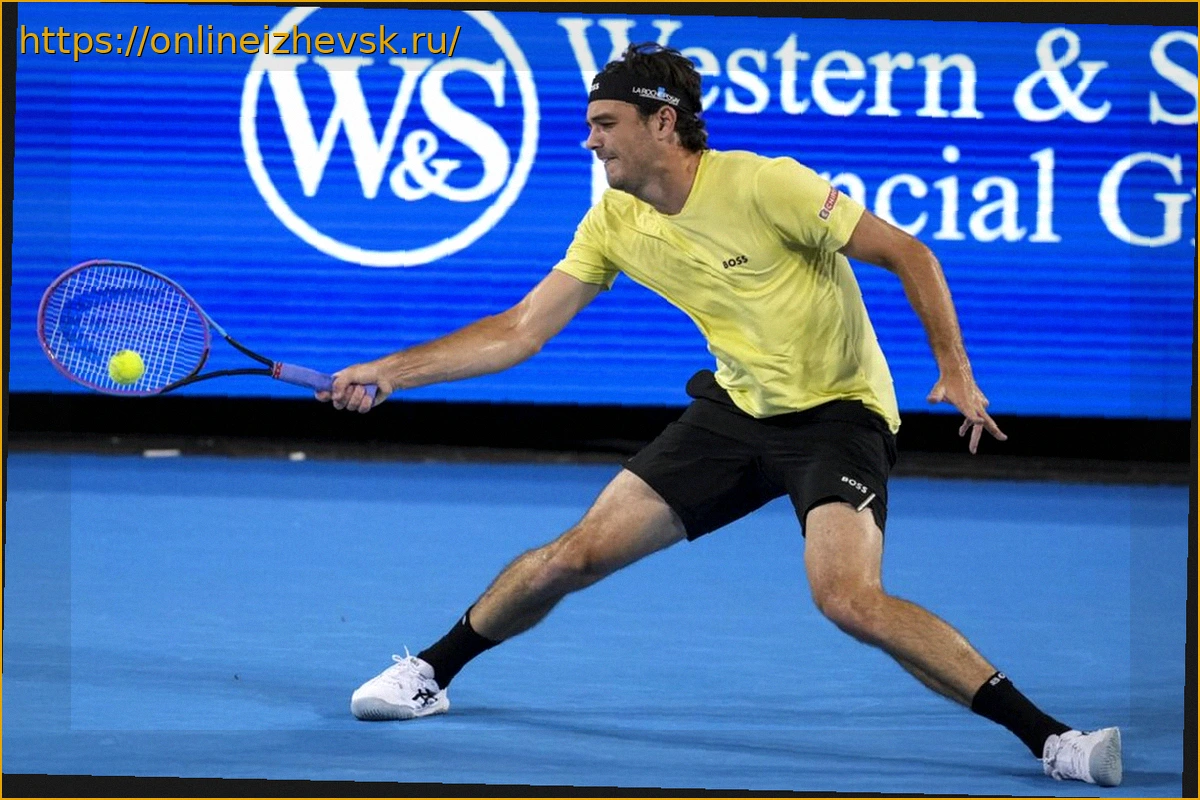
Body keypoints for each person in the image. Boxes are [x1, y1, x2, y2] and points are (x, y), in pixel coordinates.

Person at [319, 43, 1121, 787]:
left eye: (606, 124)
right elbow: (520, 330)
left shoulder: (766, 185)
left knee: (847, 598)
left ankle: (1054, 740)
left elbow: (909, 253)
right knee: (575, 555)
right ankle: (431, 673)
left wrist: (955, 369)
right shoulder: (614, 221)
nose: (591, 141)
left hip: (839, 417)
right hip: (735, 413)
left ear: (663, 123)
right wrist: (391, 373)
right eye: (591, 125)